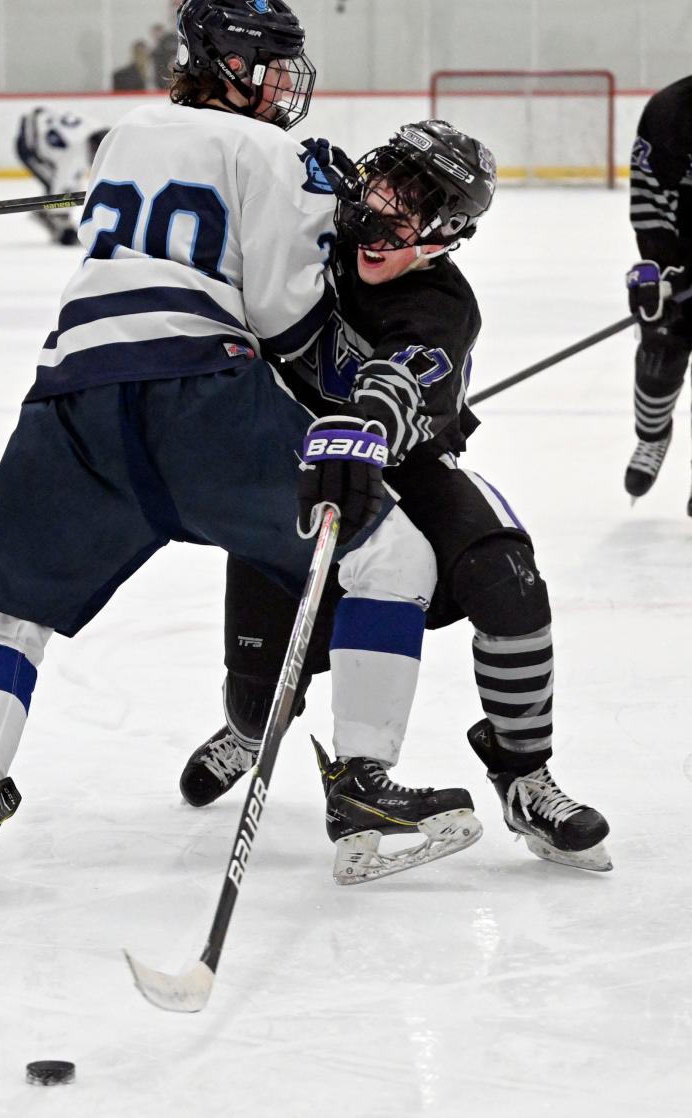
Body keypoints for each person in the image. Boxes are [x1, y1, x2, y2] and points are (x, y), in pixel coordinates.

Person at [0, 0, 473, 902]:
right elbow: (285, 322)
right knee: (392, 553)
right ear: (230, 66)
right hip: (195, 398)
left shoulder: (125, 137)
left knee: (4, 609)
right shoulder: (276, 153)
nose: (287, 86)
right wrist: (378, 380)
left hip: (71, 397)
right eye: (274, 66)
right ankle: (364, 788)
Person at [179, 121, 612, 875]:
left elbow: (402, 382)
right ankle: (251, 733)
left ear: (444, 236)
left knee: (507, 575)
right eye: (385, 185)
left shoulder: (445, 305)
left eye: (413, 207)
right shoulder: (311, 233)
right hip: (291, 466)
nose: (382, 216)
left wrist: (364, 423)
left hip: (407, 462)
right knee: (258, 695)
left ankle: (523, 774)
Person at [624, 76, 692, 514]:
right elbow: (649, 195)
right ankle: (652, 436)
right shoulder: (671, 111)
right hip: (680, 249)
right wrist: (660, 269)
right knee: (659, 350)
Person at [15, 106, 109, 246]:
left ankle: (49, 212)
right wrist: (61, 213)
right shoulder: (73, 156)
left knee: (67, 184)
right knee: (63, 188)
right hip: (29, 144)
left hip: (41, 122)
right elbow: (63, 187)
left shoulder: (98, 131)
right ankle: (51, 217)